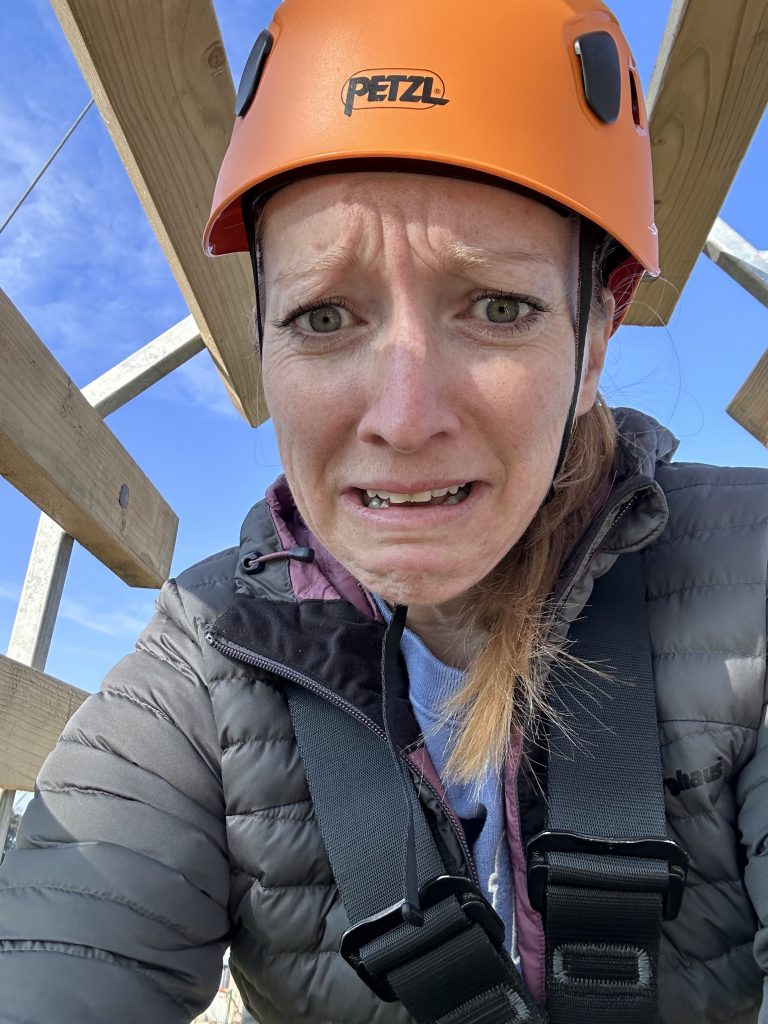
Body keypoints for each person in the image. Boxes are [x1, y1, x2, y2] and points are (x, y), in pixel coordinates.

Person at [0, 1, 766, 1022]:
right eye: (325, 317)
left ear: (594, 340)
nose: (405, 420)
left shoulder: (752, 574)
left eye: (498, 307)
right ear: (268, 341)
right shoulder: (206, 658)